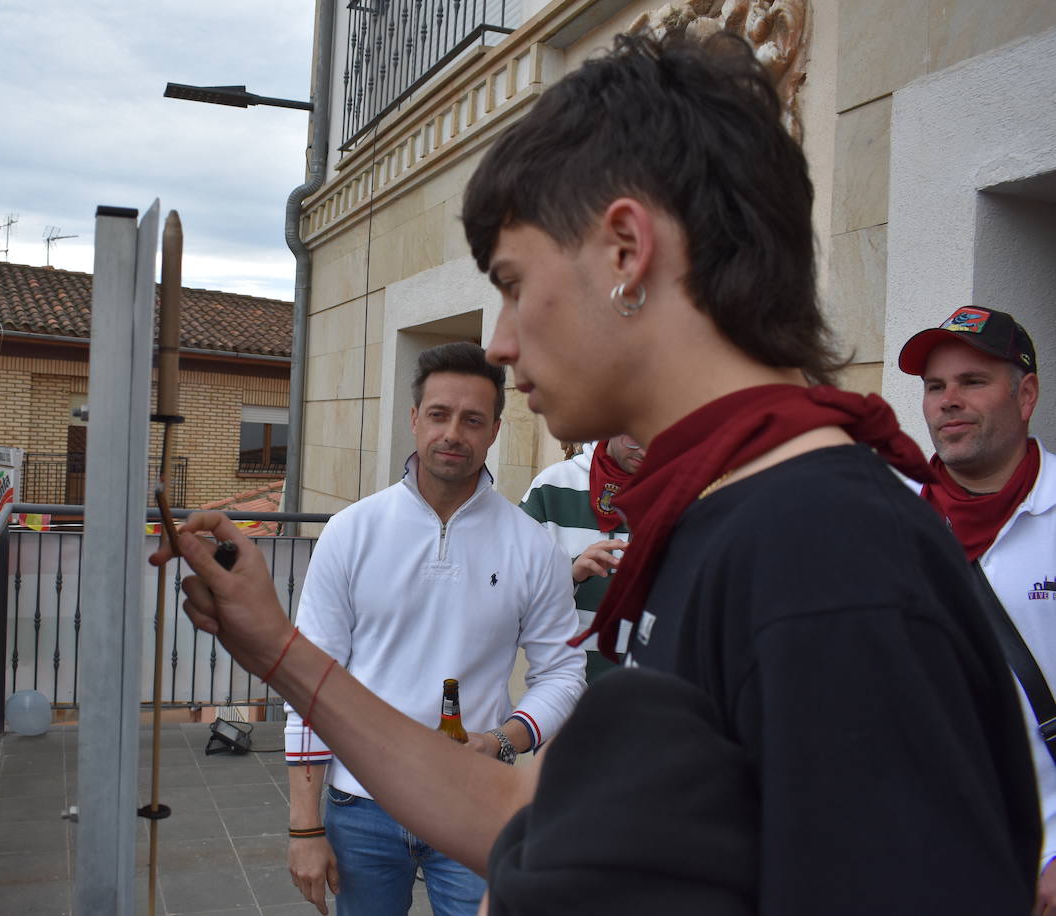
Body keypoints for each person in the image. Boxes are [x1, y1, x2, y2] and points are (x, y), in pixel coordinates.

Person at [156, 30, 1039, 915]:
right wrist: (273, 648)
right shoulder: (723, 518)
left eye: (511, 281)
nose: (500, 339)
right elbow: (519, 811)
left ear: (625, 251)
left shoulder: (825, 562)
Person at [280, 341, 586, 915]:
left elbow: (565, 671)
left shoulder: (530, 545)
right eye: (440, 415)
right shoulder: (352, 532)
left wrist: (502, 740)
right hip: (361, 800)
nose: (454, 434)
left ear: (494, 430)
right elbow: (310, 680)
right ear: (414, 418)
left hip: (476, 796)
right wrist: (304, 826)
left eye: (473, 420)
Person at [896, 306, 1055, 911]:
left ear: (1026, 395)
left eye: (972, 382)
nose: (947, 401)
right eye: (935, 387)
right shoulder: (884, 518)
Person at [519, 435, 646, 680]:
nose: (645, 449)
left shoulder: (680, 491)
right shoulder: (551, 486)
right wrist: (570, 576)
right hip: (565, 682)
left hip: (650, 685)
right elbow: (511, 590)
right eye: (634, 437)